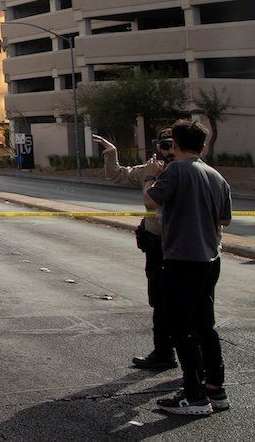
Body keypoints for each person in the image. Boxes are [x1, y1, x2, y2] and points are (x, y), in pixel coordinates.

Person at [143, 119, 232, 416]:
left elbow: (150, 202)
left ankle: (194, 395)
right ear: (204, 146)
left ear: (176, 145)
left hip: (181, 259)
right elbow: (224, 220)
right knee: (205, 326)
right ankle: (215, 388)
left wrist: (150, 177)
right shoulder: (216, 176)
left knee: (181, 328)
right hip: (210, 258)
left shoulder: (175, 171)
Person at [92, 130, 177, 371]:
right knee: (159, 303)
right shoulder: (150, 170)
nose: (169, 150)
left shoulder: (184, 172)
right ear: (158, 147)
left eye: (173, 145)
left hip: (181, 246)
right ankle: (163, 353)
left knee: (184, 305)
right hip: (156, 245)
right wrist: (112, 153)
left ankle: (198, 370)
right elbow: (117, 176)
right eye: (164, 145)